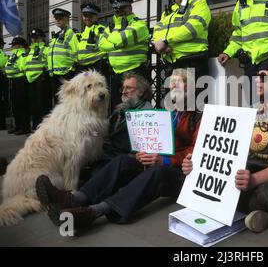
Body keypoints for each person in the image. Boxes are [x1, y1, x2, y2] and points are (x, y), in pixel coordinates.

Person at [36, 68, 201, 231]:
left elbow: (197, 151)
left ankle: (93, 212)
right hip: (160, 161)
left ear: (190, 87)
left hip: (182, 173)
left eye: (178, 82)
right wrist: (145, 152)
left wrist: (166, 160)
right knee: (123, 162)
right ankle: (74, 199)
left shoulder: (198, 116)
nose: (172, 86)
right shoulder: (169, 112)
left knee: (157, 172)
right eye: (171, 82)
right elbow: (158, 142)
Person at [183, 59, 268, 234]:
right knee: (195, 179)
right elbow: (227, 150)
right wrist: (198, 164)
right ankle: (262, 213)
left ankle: (254, 209)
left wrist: (253, 181)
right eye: (256, 76)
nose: (257, 80)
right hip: (246, 173)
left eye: (264, 76)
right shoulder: (250, 110)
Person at [152, 0, 211, 87]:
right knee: (173, 103)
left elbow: (192, 29)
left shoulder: (199, 5)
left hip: (192, 62)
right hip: (172, 64)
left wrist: (165, 41)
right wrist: (159, 45)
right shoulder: (169, 11)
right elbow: (157, 30)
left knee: (194, 104)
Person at [99, 0, 149, 111]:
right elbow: (101, 44)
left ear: (130, 8)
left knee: (136, 108)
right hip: (116, 74)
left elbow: (120, 40)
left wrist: (110, 38)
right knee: (117, 108)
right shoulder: (112, 27)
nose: (120, 12)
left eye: (123, 8)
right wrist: (116, 44)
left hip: (135, 72)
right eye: (117, 10)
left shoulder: (139, 24)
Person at [46, 8, 79, 104]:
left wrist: (71, 70)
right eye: (56, 18)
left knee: (66, 102)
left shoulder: (71, 34)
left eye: (60, 18)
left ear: (67, 19)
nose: (58, 20)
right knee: (57, 102)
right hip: (54, 75)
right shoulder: (56, 36)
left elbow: (77, 52)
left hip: (65, 74)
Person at [23, 28, 51, 130]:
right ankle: (35, 126)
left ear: (42, 38)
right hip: (31, 80)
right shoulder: (30, 50)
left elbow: (49, 62)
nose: (34, 39)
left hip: (41, 78)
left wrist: (45, 73)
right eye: (32, 37)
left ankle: (43, 128)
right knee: (33, 105)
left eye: (36, 37)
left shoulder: (45, 48)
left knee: (42, 105)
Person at [4, 37, 30, 135]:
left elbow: (23, 67)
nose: (12, 47)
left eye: (14, 45)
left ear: (19, 45)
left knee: (22, 105)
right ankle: (18, 125)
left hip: (20, 80)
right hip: (13, 80)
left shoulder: (22, 54)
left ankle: (24, 127)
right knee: (15, 105)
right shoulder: (15, 54)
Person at [76, 3, 106, 74]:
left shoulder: (101, 30)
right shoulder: (83, 33)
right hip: (82, 68)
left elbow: (106, 49)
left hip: (96, 67)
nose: (87, 18)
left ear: (96, 17)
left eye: (90, 16)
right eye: (85, 16)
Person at [0, 38, 9, 130]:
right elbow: (2, 63)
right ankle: (2, 124)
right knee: (2, 102)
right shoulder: (1, 53)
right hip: (2, 78)